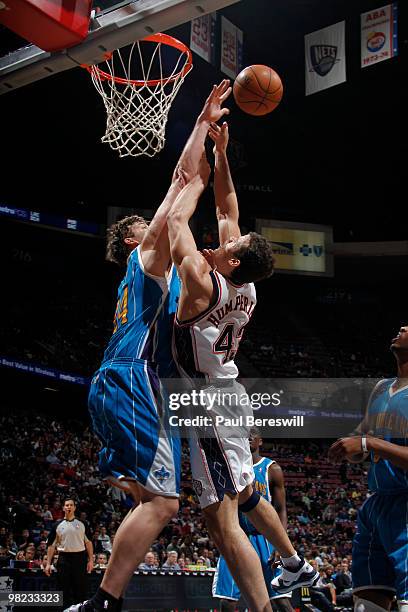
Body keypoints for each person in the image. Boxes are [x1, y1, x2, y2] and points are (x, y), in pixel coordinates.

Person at [64, 80, 233, 612]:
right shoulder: (147, 258)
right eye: (149, 223)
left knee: (145, 497)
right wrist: (203, 125)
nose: (156, 219)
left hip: (111, 379)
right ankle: (104, 603)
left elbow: (183, 186)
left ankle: (101, 598)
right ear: (136, 239)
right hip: (135, 379)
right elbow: (183, 179)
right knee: (163, 503)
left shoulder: (137, 280)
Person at [167, 120, 318, 611]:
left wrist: (193, 181)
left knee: (222, 522)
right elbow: (228, 208)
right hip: (229, 395)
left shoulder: (200, 280)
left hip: (210, 403)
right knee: (248, 490)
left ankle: (264, 605)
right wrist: (222, 151)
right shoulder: (244, 286)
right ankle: (295, 563)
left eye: (231, 243)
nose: (225, 236)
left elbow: (174, 227)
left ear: (232, 261)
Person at [329, 324, 408, 612]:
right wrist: (351, 446)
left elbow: (369, 442)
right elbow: (365, 434)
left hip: (406, 503)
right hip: (375, 505)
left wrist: (368, 444)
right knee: (367, 605)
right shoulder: (380, 387)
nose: (402, 327)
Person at [213, 428, 294, 612]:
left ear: (260, 441)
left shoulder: (272, 469)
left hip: (265, 539)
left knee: (279, 600)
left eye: (253, 434)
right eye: (244, 434)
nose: (248, 437)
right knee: (227, 601)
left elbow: (281, 510)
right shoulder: (231, 467)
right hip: (236, 535)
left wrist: (281, 546)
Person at [45, 498, 93, 609]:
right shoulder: (57, 525)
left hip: (80, 558)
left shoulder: (83, 523)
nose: (69, 507)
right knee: (63, 589)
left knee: (80, 590)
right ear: (63, 508)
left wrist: (90, 560)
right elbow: (51, 546)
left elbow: (89, 543)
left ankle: (80, 610)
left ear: (75, 508)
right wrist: (48, 563)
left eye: (71, 505)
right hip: (63, 559)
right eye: (66, 505)